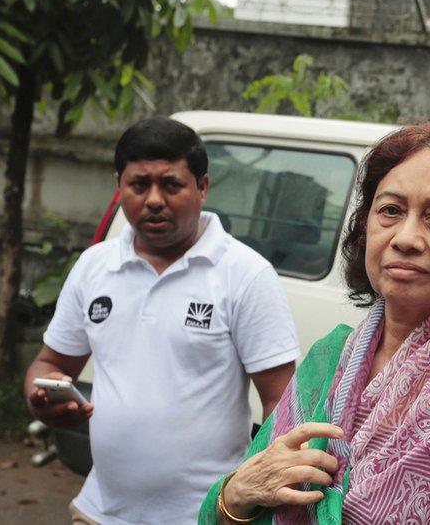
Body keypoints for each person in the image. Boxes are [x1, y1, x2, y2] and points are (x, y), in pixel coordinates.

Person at [200, 121, 430, 524]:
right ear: (366, 226)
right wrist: (236, 495)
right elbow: (240, 499)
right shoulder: (331, 359)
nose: (406, 238)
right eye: (390, 211)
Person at [24, 117, 300, 524]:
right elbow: (50, 365)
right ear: (120, 186)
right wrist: (42, 399)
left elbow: (283, 402)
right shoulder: (94, 266)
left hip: (207, 516)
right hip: (100, 512)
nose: (154, 199)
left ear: (201, 188)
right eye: (139, 185)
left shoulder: (244, 274)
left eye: (171, 185)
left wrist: (249, 500)